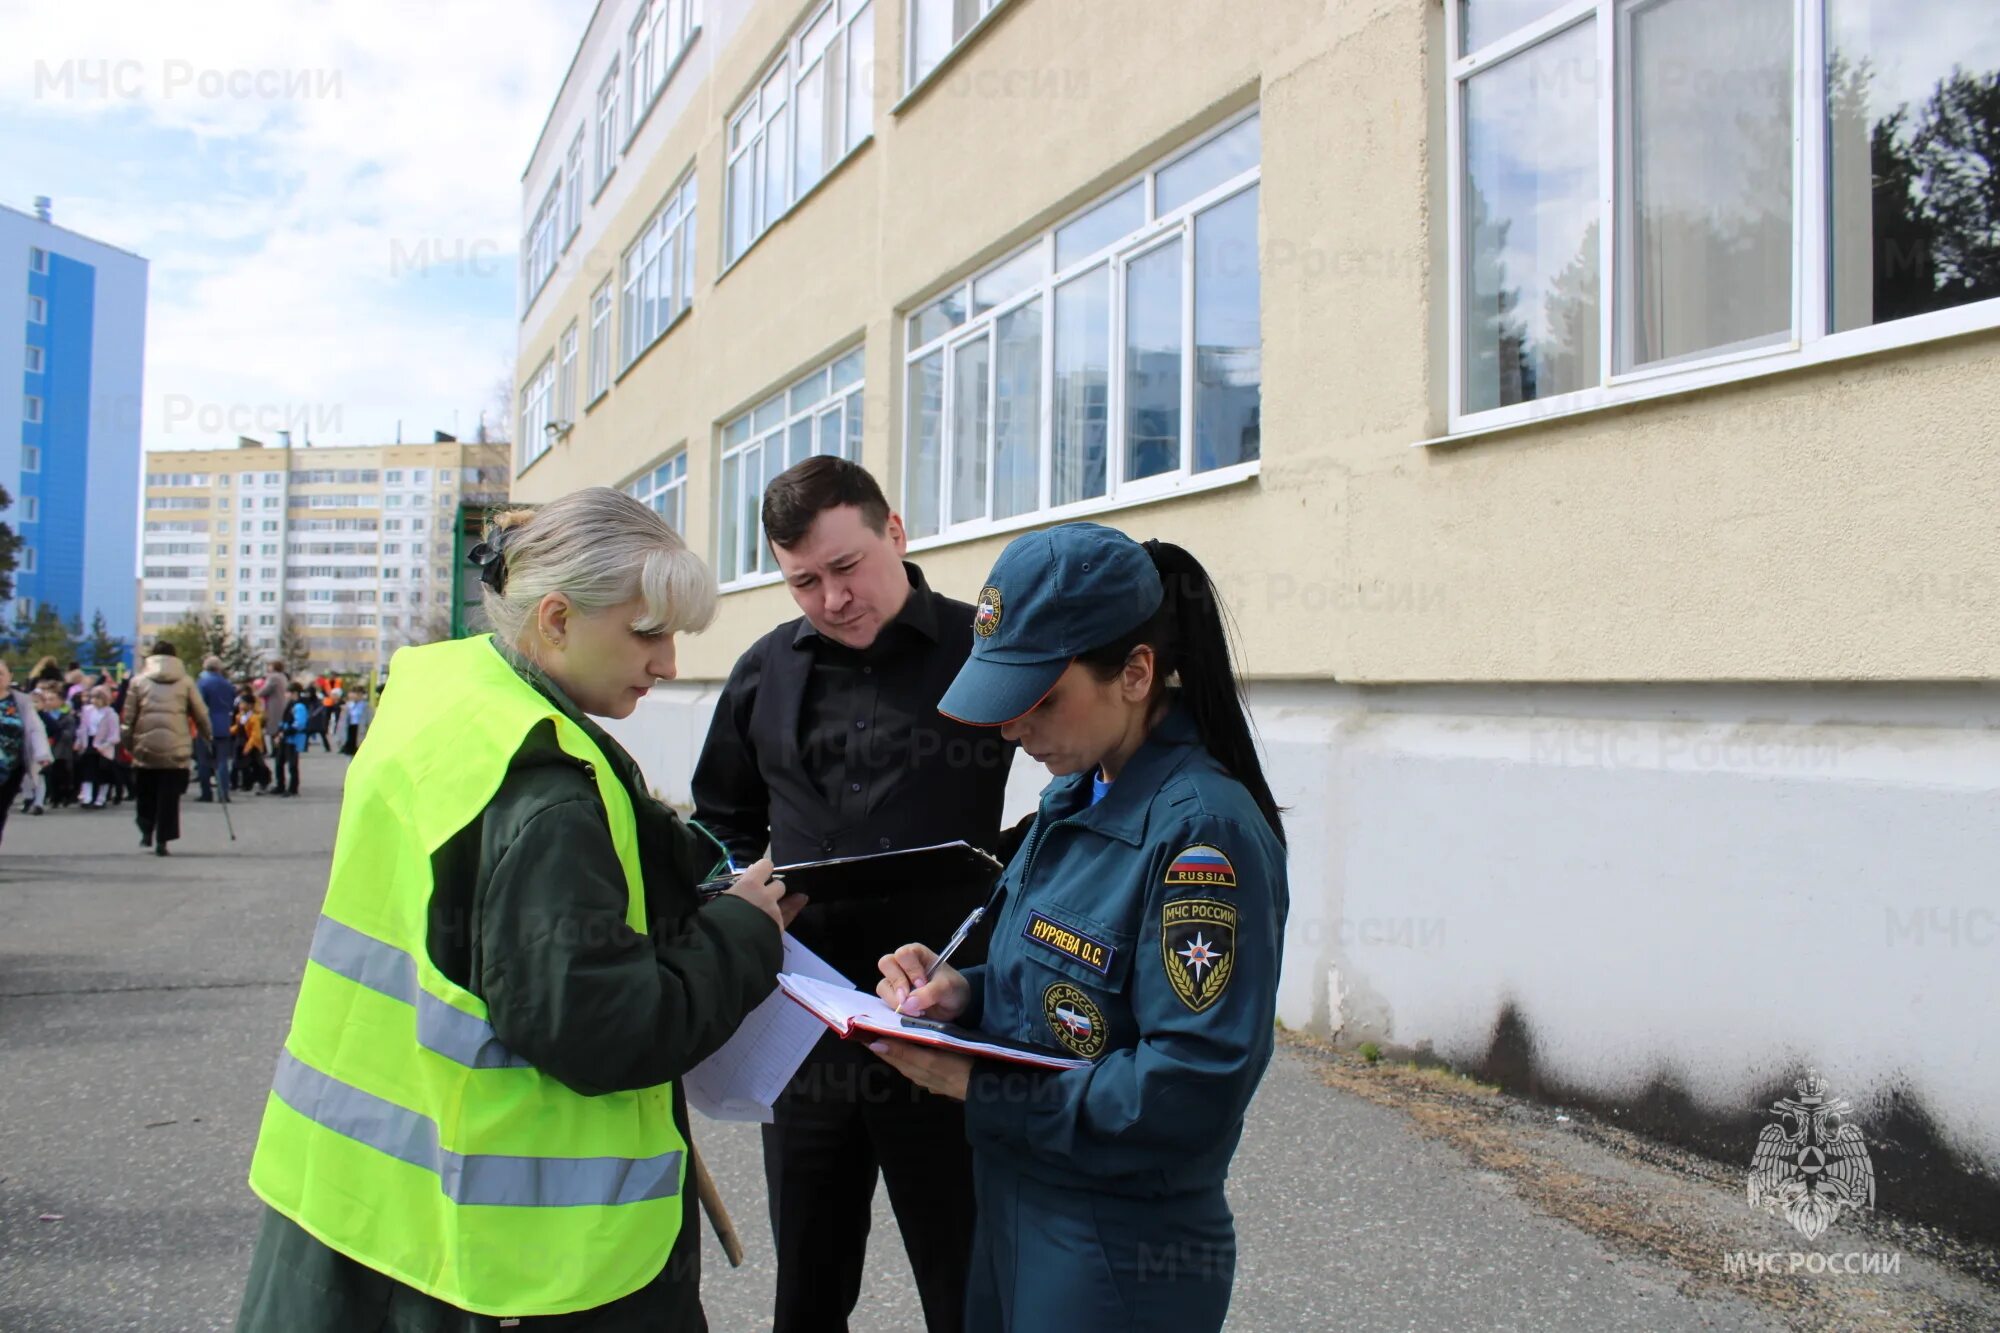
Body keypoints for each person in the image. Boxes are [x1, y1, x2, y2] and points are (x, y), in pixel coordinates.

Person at [237, 486, 803, 1330]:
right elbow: (609, 1028)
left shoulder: (447, 699)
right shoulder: (548, 797)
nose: (669, 663)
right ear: (555, 618)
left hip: (350, 1202)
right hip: (518, 1266)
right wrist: (744, 931)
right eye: (646, 632)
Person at [871, 523, 1291, 1332]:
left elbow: (1189, 1090)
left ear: (1135, 673)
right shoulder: (1078, 792)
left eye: (1039, 698)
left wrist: (974, 1083)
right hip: (1015, 1207)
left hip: (1117, 1245)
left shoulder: (1203, 834)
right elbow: (1072, 993)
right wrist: (966, 993)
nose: (1010, 728)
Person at [692, 457, 1014, 1333]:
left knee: (966, 1283)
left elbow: (1069, 767)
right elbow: (720, 816)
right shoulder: (763, 671)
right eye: (803, 581)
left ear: (896, 535)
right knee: (807, 1286)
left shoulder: (983, 652)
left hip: (944, 1016)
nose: (831, 597)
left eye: (847, 568)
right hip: (804, 1029)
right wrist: (737, 897)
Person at [121, 640, 212, 856]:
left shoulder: (138, 682)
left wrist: (128, 743)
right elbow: (201, 714)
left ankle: (146, 828)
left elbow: (129, 717)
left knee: (145, 792)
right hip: (176, 747)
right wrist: (209, 737)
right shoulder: (186, 683)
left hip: (145, 746)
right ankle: (164, 839)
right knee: (169, 796)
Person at [0, 660, 52, 846]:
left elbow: (35, 729)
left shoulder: (21, 701)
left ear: (10, 677)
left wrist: (42, 754)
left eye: (1, 674)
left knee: (2, 808)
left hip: (12, 766)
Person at [195, 655, 238, 804]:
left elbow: (198, 705)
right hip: (224, 724)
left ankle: (206, 793)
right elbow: (233, 702)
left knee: (204, 760)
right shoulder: (227, 684)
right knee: (222, 761)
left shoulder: (202, 683)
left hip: (206, 725)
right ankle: (223, 793)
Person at [76, 684, 121, 808]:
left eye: (98, 698)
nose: (94, 701)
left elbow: (115, 736)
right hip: (89, 743)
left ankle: (101, 799)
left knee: (104, 774)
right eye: (93, 697)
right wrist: (79, 742)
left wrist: (105, 745)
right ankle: (87, 797)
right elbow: (82, 728)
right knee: (88, 772)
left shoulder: (111, 714)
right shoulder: (87, 711)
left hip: (103, 747)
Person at [267, 685, 305, 798]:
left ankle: (293, 788)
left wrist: (285, 732)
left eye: (288, 692)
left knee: (292, 765)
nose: (285, 695)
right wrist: (279, 732)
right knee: (279, 763)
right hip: (285, 738)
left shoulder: (299, 706)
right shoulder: (289, 705)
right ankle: (280, 785)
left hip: (293, 740)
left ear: (294, 693)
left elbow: (299, 724)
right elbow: (284, 721)